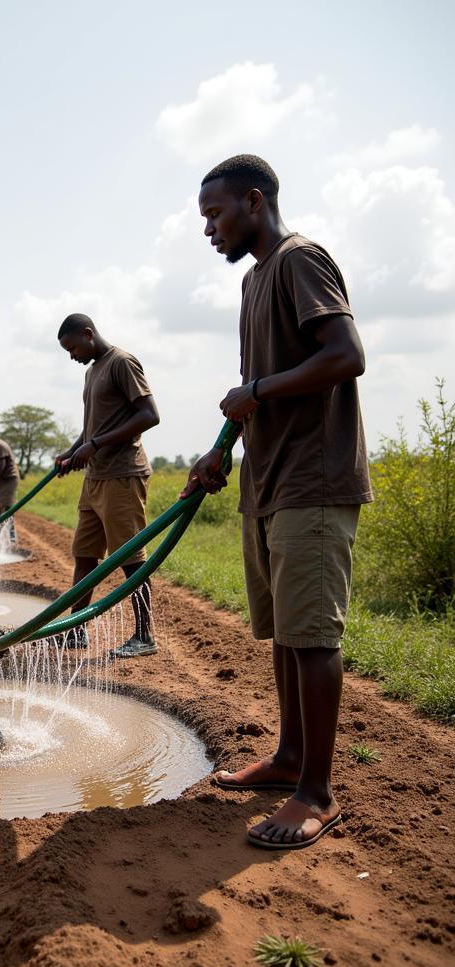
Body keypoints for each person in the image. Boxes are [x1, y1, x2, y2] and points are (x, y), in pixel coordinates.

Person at [183, 154, 371, 851]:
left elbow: (345, 354)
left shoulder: (299, 259)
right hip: (268, 480)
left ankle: (316, 793)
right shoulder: (255, 281)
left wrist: (257, 394)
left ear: (253, 202)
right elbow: (255, 383)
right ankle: (290, 758)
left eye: (215, 215)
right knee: (286, 632)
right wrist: (221, 449)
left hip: (313, 479)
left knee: (313, 635)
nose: (209, 230)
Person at [55, 314, 160, 657]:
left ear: (88, 334)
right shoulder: (91, 371)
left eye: (72, 347)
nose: (72, 356)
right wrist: (72, 454)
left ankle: (144, 636)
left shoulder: (121, 363)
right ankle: (74, 630)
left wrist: (95, 446)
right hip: (95, 478)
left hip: (123, 474)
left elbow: (148, 415)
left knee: (129, 557)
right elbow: (92, 427)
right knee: (85, 555)